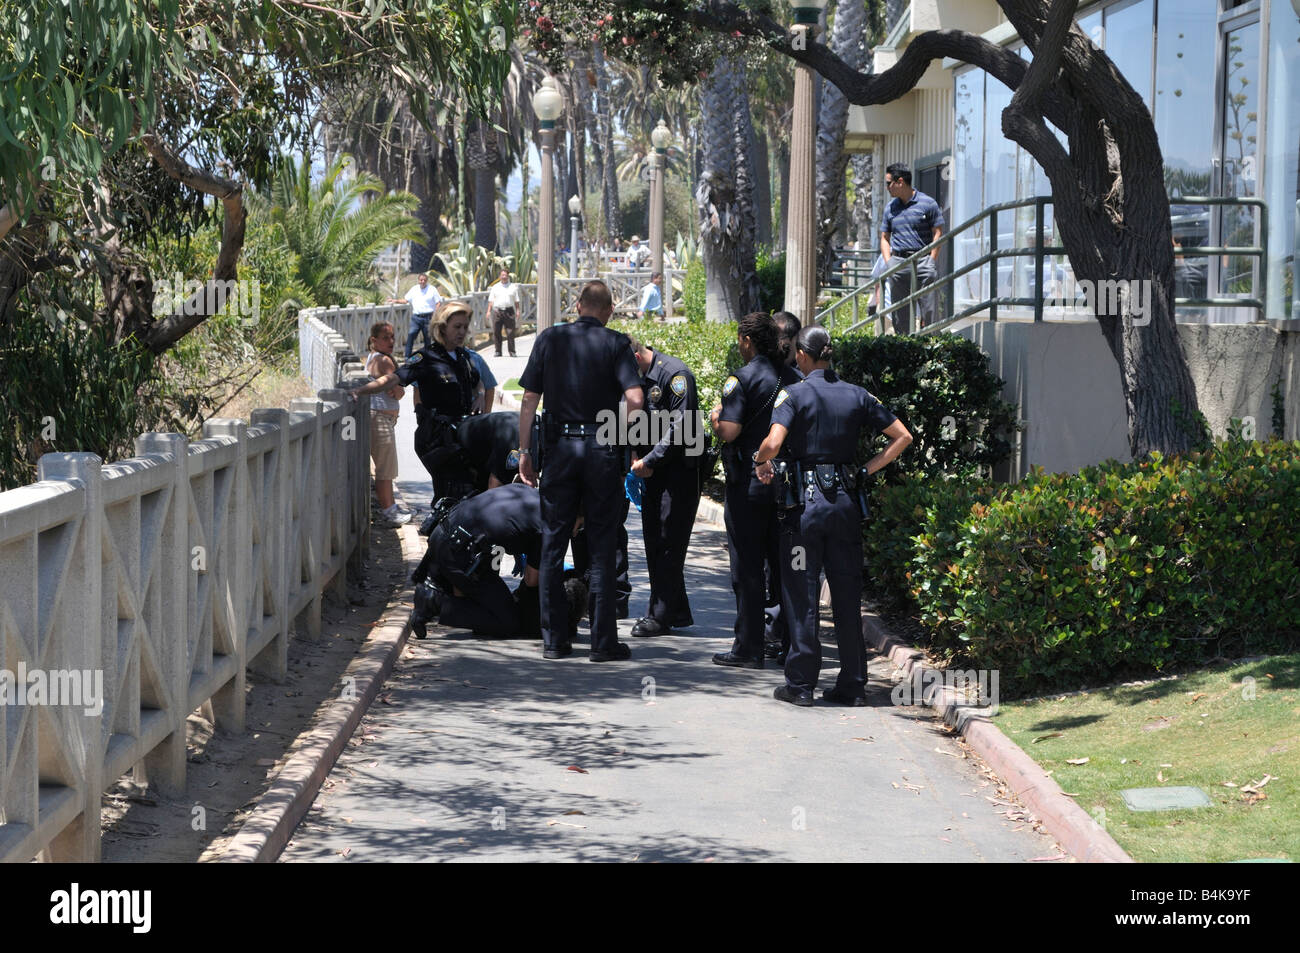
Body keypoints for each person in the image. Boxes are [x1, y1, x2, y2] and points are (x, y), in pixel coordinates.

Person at [754, 326, 913, 706]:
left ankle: (802, 685)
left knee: (801, 592)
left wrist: (761, 460)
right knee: (846, 594)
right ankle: (853, 685)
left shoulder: (792, 394)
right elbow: (903, 436)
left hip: (804, 512)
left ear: (803, 356)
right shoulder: (857, 394)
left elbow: (774, 443)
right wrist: (864, 471)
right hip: (845, 506)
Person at [518, 280, 644, 662]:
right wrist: (616, 434)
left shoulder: (549, 339)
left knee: (553, 541)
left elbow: (528, 399)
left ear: (577, 305)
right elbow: (636, 399)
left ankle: (555, 640)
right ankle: (603, 643)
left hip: (558, 450)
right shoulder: (617, 342)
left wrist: (525, 452)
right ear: (607, 311)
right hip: (601, 449)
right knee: (603, 544)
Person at [709, 312, 801, 669]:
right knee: (786, 567)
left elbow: (729, 431)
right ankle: (791, 644)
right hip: (786, 486)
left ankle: (748, 647)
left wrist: (717, 417)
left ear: (747, 341)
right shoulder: (794, 376)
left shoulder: (741, 379)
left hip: (748, 485)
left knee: (747, 567)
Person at [409, 483, 588, 641]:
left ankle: (442, 584)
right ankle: (435, 603)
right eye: (578, 526)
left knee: (496, 600)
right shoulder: (547, 527)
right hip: (458, 552)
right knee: (507, 623)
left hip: (445, 531)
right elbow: (531, 580)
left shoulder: (530, 492)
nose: (574, 533)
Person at [354, 300, 479, 504]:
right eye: (457, 326)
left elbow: (477, 382)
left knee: (465, 490)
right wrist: (360, 390)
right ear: (441, 327)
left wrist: (480, 394)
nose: (462, 332)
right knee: (450, 490)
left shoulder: (463, 357)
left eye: (465, 327)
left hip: (462, 435)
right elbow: (394, 378)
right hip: (437, 437)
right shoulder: (425, 357)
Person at [627, 336, 702, 638]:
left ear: (634, 357)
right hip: (654, 473)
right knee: (656, 540)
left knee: (668, 542)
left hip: (678, 473)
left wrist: (650, 460)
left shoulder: (675, 375)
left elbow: (681, 426)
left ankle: (658, 616)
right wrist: (632, 450)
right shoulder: (640, 380)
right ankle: (677, 611)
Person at [881, 163, 945, 334]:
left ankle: (932, 341)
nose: (887, 187)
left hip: (923, 261)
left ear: (900, 182)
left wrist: (931, 260)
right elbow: (884, 238)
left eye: (888, 183)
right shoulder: (890, 208)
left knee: (930, 309)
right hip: (899, 263)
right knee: (900, 313)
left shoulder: (928, 203)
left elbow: (938, 232)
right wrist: (889, 263)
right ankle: (905, 345)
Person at [363, 321, 411, 527]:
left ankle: (391, 507)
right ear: (374, 341)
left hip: (381, 417)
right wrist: (399, 389)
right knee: (386, 469)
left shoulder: (374, 358)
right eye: (385, 338)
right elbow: (398, 392)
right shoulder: (384, 361)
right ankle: (389, 512)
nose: (391, 341)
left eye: (392, 337)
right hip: (380, 418)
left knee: (386, 467)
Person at [393, 272, 443, 359]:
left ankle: (428, 357)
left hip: (428, 317)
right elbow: (406, 300)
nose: (422, 281)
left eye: (424, 280)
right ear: (418, 281)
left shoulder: (432, 289)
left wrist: (435, 313)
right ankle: (407, 356)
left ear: (426, 281)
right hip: (416, 318)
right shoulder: (414, 289)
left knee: (427, 339)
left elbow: (438, 302)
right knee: (411, 335)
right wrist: (395, 301)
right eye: (421, 280)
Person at [487, 268, 520, 358]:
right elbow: (491, 300)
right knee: (497, 332)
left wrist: (518, 311)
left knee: (510, 332)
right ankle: (498, 351)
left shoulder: (513, 287)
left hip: (509, 311)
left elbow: (517, 301)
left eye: (505, 275)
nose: (504, 277)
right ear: (500, 276)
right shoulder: (495, 287)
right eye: (502, 275)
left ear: (508, 276)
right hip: (497, 311)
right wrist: (488, 311)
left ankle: (512, 351)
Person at [466, 349, 497, 413]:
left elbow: (489, 386)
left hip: (473, 415)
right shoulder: (440, 360)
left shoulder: (474, 357)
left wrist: (486, 415)